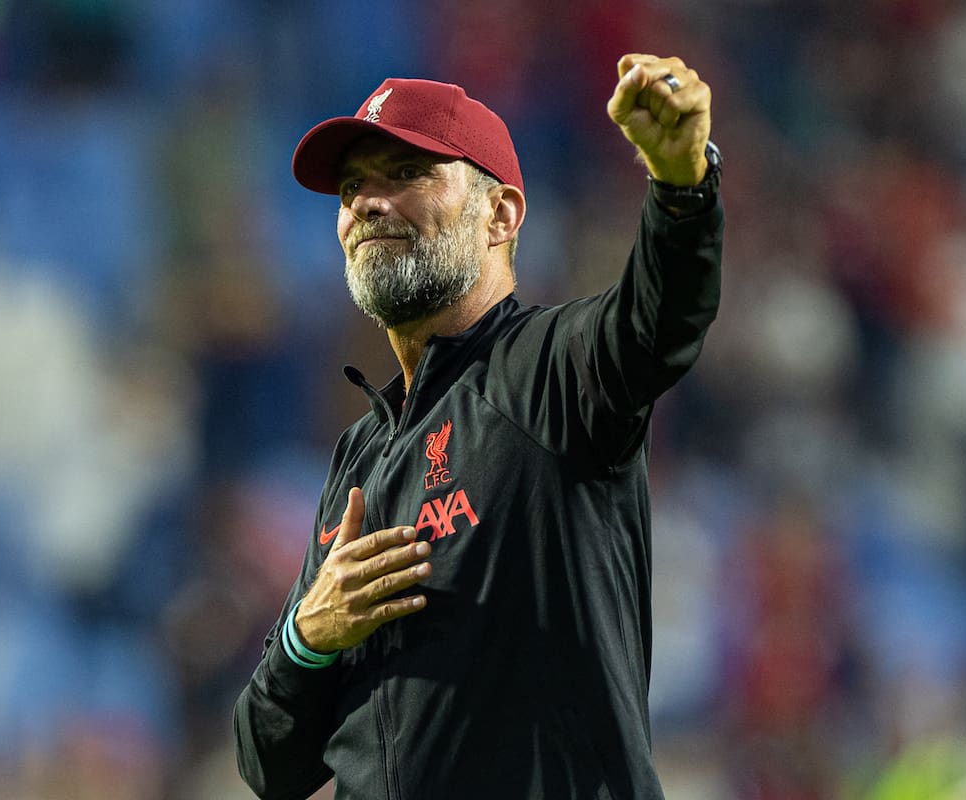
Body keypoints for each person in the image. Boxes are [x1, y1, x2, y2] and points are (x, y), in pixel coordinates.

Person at [234, 52, 723, 799]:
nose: (369, 201)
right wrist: (306, 641)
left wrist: (681, 187)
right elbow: (272, 768)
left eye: (406, 173)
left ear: (500, 215)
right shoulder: (358, 458)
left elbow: (659, 319)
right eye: (353, 185)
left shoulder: (549, 370)